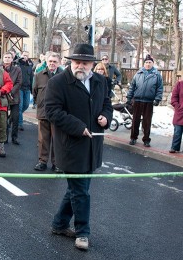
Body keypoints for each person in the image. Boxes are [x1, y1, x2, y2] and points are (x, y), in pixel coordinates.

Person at [45, 43, 113, 251]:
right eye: (77, 62)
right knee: (81, 191)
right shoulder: (58, 82)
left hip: (93, 146)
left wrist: (105, 117)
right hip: (71, 146)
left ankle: (59, 224)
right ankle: (82, 232)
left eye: (85, 62)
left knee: (77, 189)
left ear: (93, 64)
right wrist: (78, 127)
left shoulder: (101, 81)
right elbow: (52, 111)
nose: (80, 66)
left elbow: (107, 104)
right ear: (71, 62)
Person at [33, 52, 63, 172]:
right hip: (43, 111)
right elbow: (34, 92)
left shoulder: (64, 76)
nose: (52, 64)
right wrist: (40, 104)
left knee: (57, 139)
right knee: (43, 139)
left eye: (55, 61)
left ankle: (57, 163)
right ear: (46, 62)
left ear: (59, 63)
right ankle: (42, 162)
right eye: (50, 61)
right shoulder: (39, 75)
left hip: (59, 113)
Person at [126, 54, 163, 147]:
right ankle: (133, 138)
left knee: (147, 122)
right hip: (137, 100)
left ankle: (146, 139)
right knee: (135, 120)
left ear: (153, 63)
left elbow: (159, 88)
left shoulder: (157, 74)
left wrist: (157, 99)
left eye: (150, 62)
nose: (148, 64)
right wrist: (128, 98)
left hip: (149, 102)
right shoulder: (138, 73)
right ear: (144, 63)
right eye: (146, 62)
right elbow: (132, 87)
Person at [1, 51, 22, 144]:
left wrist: (11, 92)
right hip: (2, 96)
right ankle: (4, 137)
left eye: (9, 57)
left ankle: (14, 137)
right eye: (5, 57)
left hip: (14, 96)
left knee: (15, 117)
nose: (7, 59)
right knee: (3, 118)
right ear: (3, 59)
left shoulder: (17, 69)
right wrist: (4, 91)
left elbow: (19, 82)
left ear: (12, 59)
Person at [17, 51, 34, 130]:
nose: (25, 57)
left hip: (27, 88)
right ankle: (20, 123)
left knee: (26, 105)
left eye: (26, 56)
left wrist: (32, 89)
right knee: (20, 106)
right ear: (21, 55)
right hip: (19, 88)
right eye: (24, 55)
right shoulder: (18, 64)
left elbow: (31, 78)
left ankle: (14, 116)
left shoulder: (29, 66)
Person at [170, 80, 183, 153]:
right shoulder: (179, 84)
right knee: (178, 131)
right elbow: (174, 98)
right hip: (180, 112)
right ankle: (174, 147)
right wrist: (178, 106)